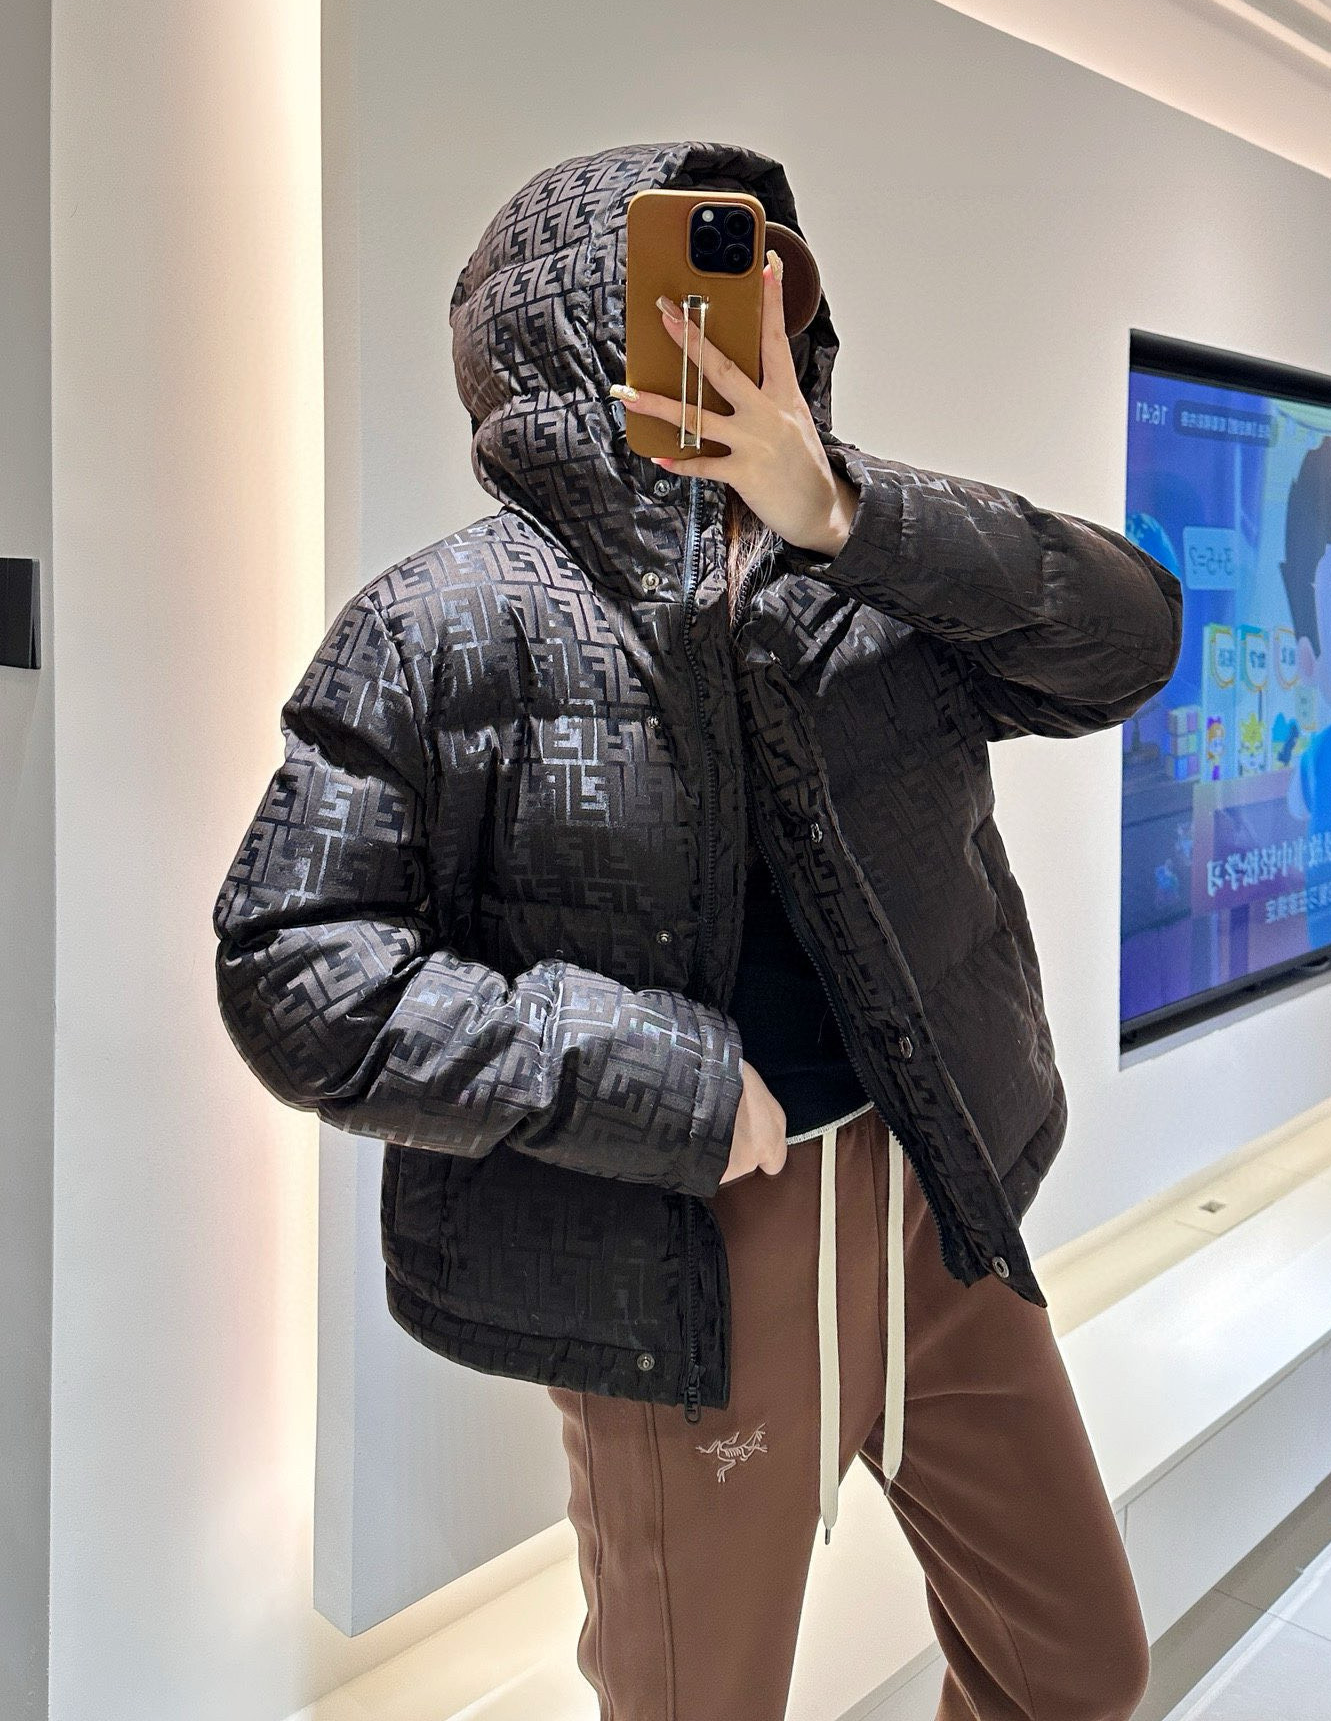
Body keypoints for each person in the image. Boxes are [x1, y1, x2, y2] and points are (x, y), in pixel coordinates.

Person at [212, 139, 1183, 1721]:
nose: (746, 324)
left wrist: (845, 509)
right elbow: (294, 968)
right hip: (679, 1264)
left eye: (772, 286)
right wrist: (654, 1078)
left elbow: (1130, 640)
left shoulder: (868, 573)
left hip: (935, 1210)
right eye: (697, 289)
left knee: (1077, 1666)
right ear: (569, 342)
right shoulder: (443, 625)